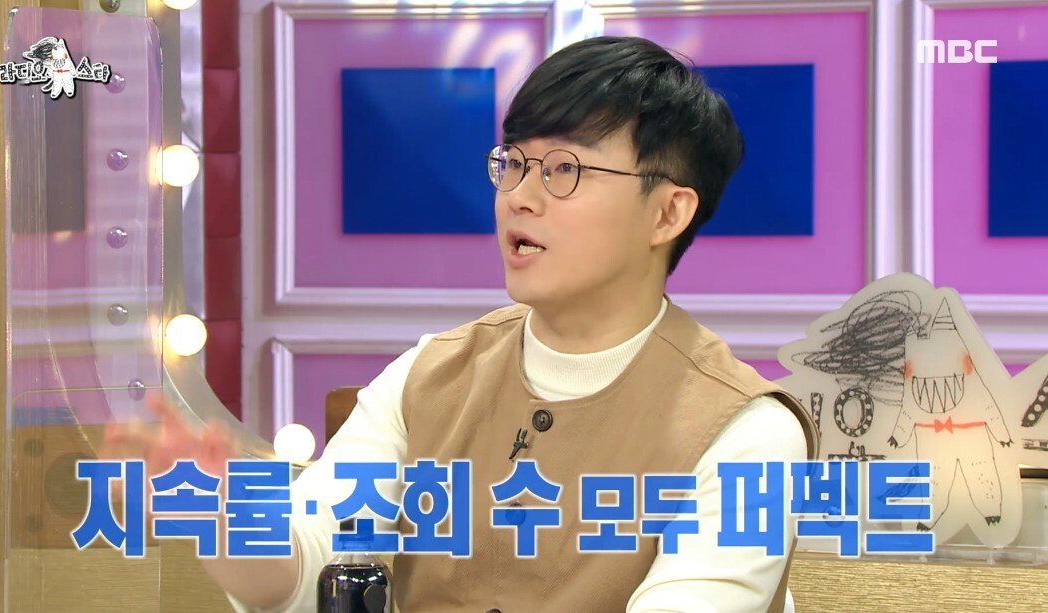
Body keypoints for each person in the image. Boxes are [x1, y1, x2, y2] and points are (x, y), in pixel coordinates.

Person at [103, 35, 818, 612]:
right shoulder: (430, 373)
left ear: (667, 213)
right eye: (515, 164)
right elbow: (312, 567)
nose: (521, 197)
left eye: (564, 169)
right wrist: (223, 515)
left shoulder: (747, 431)